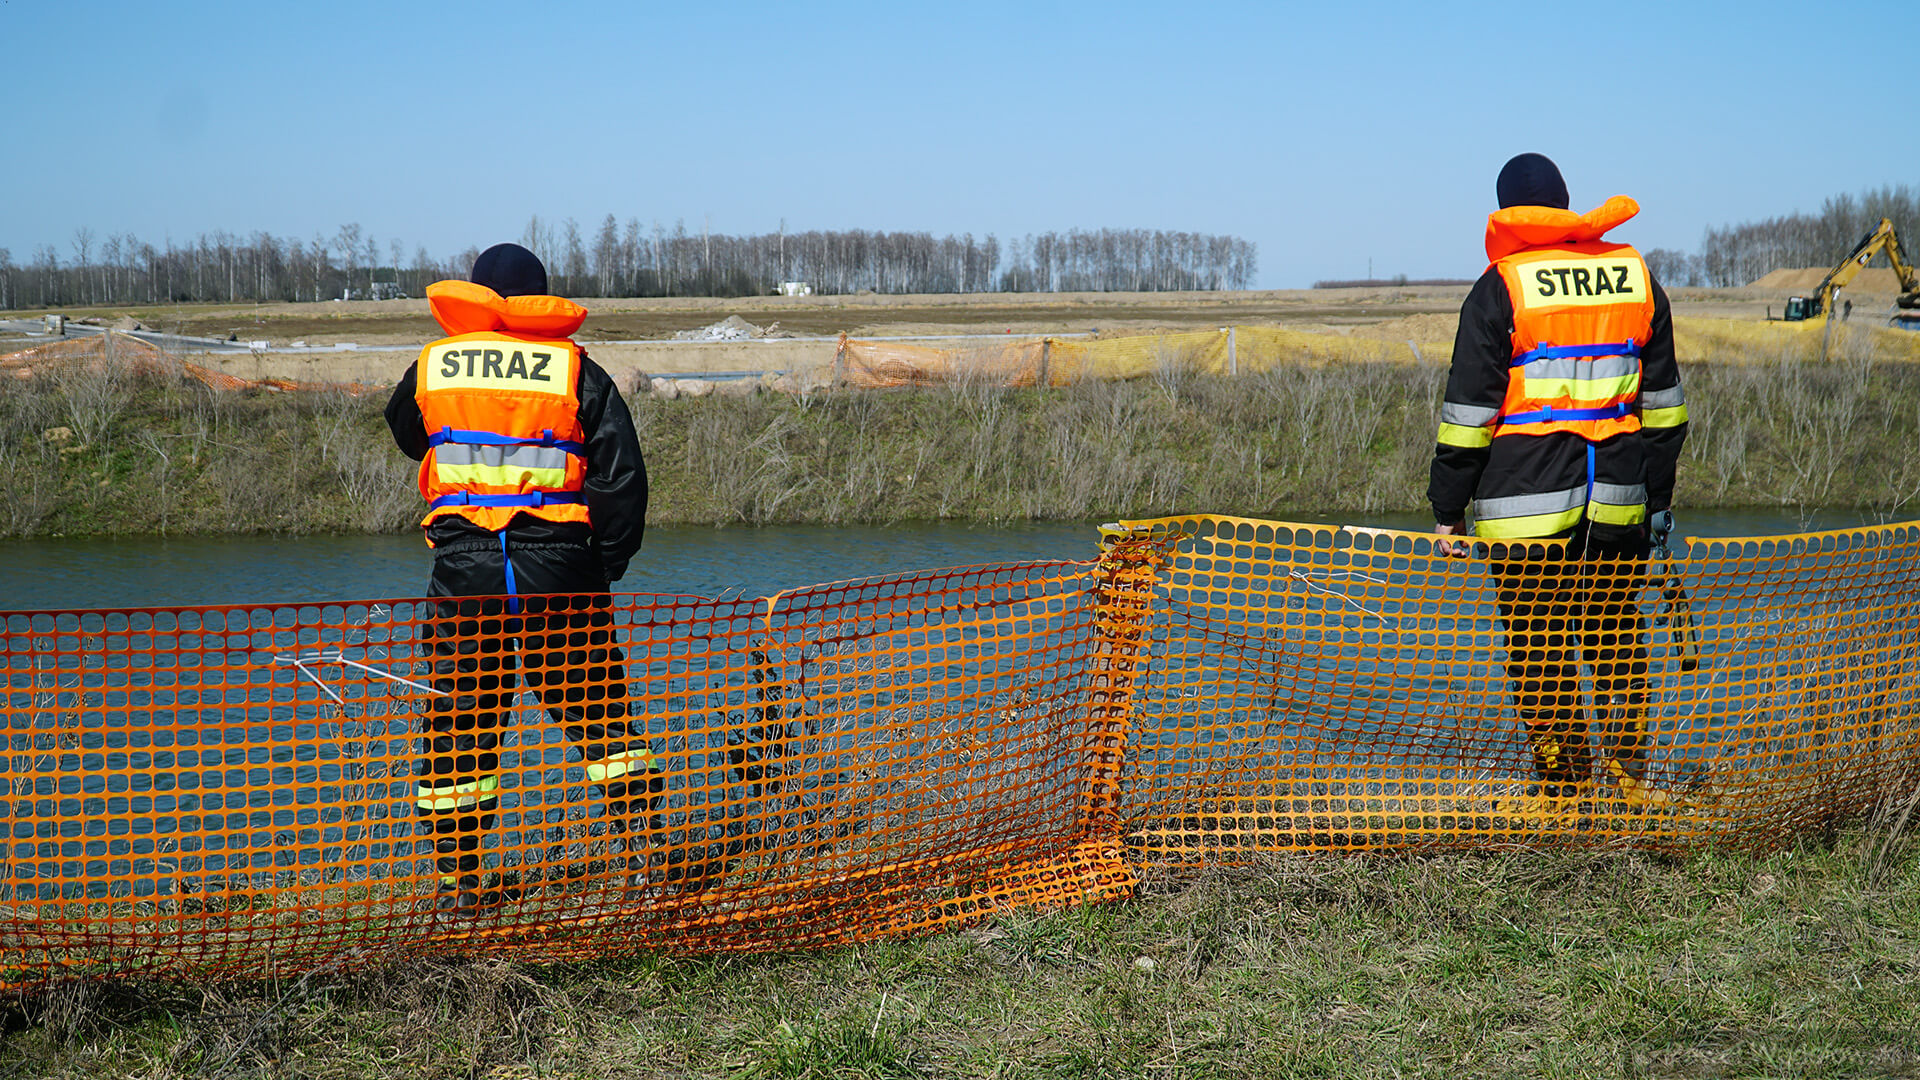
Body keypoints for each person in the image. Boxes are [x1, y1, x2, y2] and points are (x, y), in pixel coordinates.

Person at [385, 243, 652, 914]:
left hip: (465, 568)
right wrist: (605, 563)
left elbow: (408, 433)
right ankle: (644, 864)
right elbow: (622, 476)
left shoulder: (435, 364)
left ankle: (459, 887)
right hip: (559, 565)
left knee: (460, 721)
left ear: (477, 293)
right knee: (601, 715)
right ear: (538, 296)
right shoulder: (574, 368)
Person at [1428, 154, 1690, 820]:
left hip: (1525, 517)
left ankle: (1564, 790)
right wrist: (1657, 502)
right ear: (1566, 203)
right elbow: (1665, 412)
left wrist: (1448, 508)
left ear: (1506, 211)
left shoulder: (1501, 286)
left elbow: (1468, 415)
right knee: (1615, 640)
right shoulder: (1634, 277)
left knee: (1538, 649)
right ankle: (1632, 785)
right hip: (1619, 506)